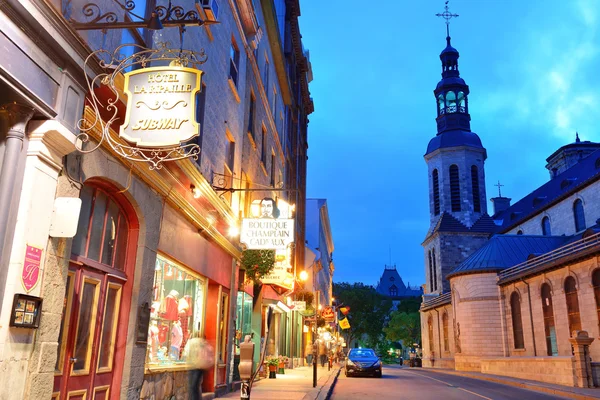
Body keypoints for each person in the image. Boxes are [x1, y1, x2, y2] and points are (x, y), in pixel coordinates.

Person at [185, 332, 214, 400]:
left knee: (192, 387)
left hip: (193, 367)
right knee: (196, 386)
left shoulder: (191, 343)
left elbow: (186, 353)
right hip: (201, 367)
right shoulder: (203, 343)